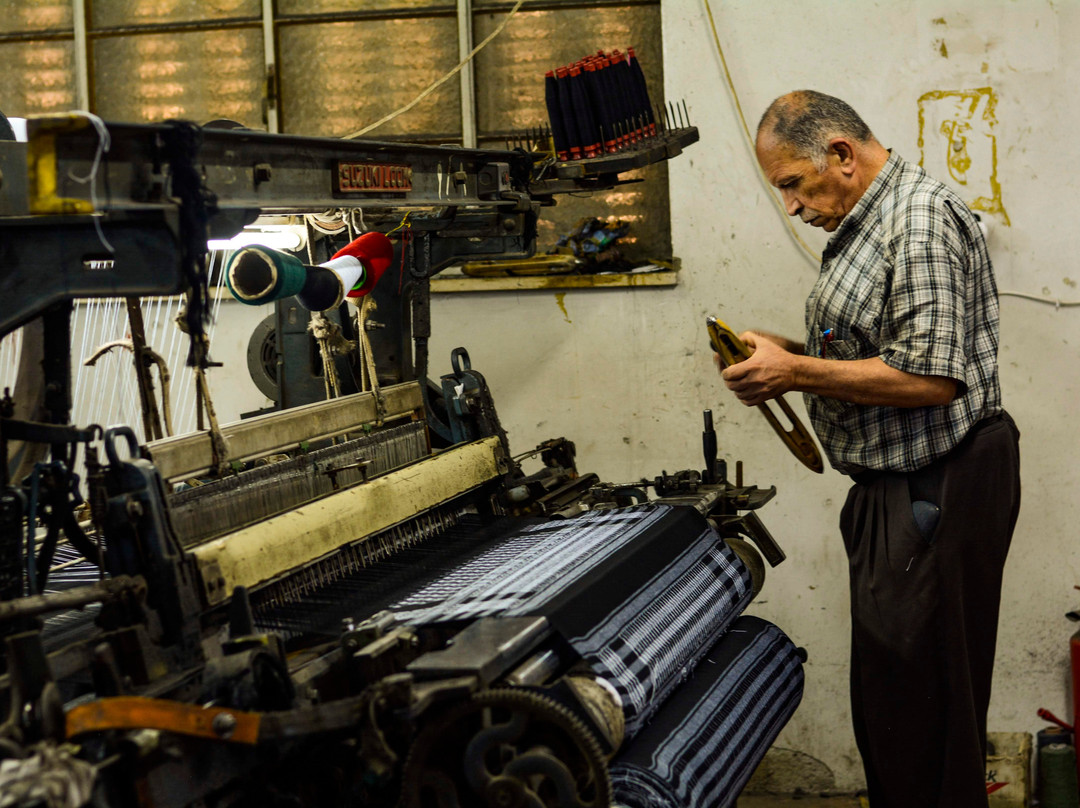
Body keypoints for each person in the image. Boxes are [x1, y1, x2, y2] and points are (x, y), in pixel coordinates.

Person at [720, 90, 1021, 808]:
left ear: (842, 156)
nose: (791, 205)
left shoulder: (915, 223)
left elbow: (930, 379)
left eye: (792, 183)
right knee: (896, 703)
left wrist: (795, 372)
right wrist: (783, 351)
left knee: (927, 709)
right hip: (903, 487)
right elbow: (879, 350)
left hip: (938, 484)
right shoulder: (872, 220)